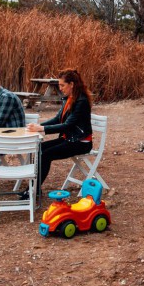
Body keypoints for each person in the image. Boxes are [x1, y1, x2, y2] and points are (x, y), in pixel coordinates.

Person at [24, 69, 93, 199]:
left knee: (45, 154)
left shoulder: (81, 101)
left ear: (71, 84)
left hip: (80, 142)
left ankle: (32, 191)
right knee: (39, 148)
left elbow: (68, 125)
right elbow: (57, 119)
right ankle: (34, 189)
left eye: (62, 85)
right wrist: (39, 126)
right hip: (70, 138)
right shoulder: (69, 98)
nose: (60, 88)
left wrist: (41, 129)